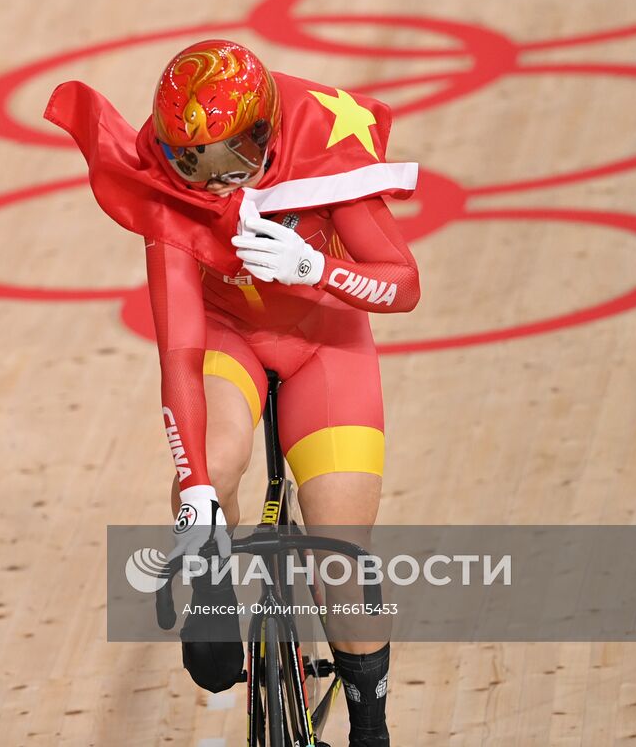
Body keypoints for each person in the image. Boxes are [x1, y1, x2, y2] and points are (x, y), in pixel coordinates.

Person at [46, 40, 420, 746]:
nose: (215, 185)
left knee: (341, 550)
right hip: (230, 338)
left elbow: (404, 285)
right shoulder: (166, 185)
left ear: (267, 135)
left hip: (325, 343)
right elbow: (179, 353)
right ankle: (211, 585)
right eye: (192, 164)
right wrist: (195, 492)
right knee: (214, 468)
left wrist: (315, 268)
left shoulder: (321, 148)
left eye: (231, 164)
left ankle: (371, 728)